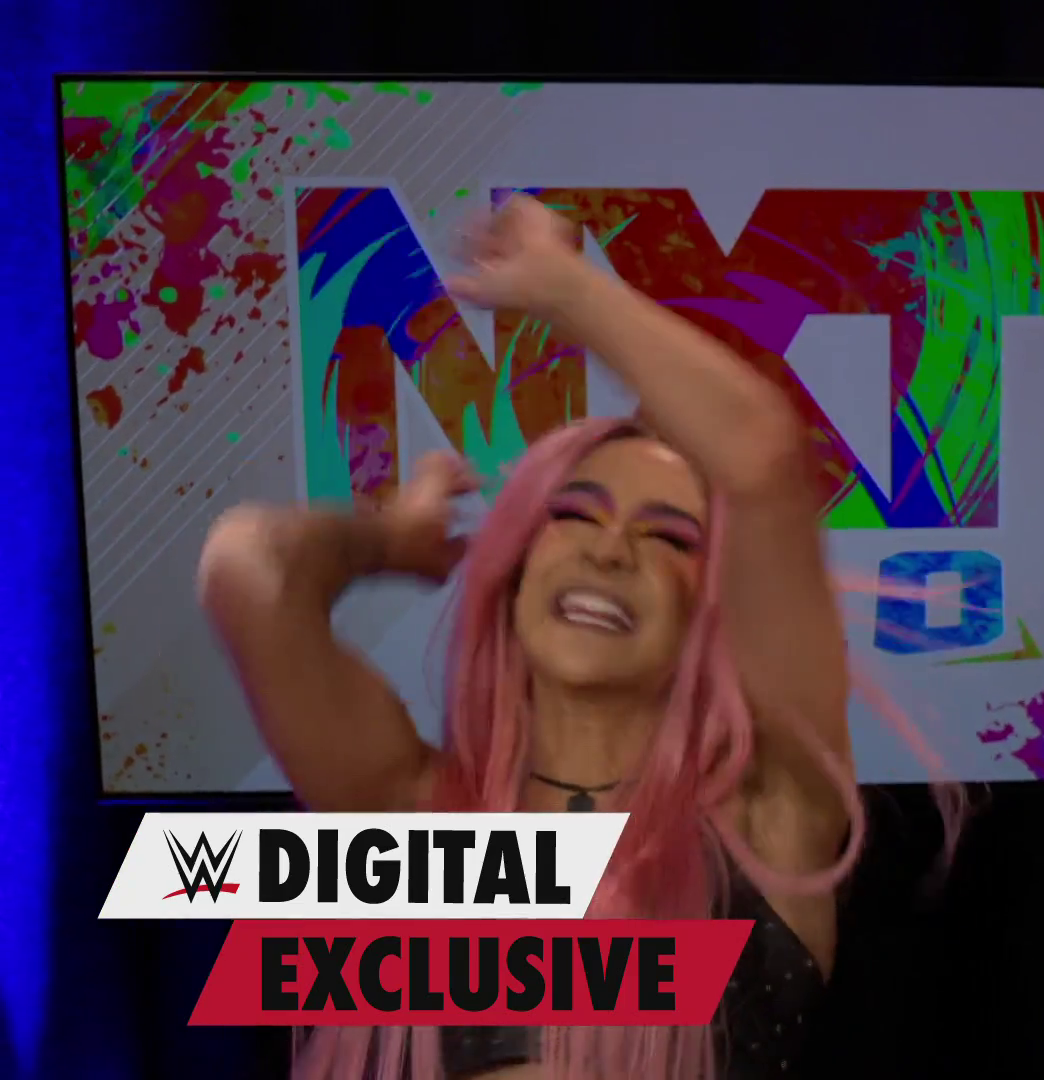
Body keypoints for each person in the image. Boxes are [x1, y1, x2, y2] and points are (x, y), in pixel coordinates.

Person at [197, 195, 955, 1080]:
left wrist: (569, 291)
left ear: (709, 611)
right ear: (516, 569)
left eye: (668, 537)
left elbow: (758, 458)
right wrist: (390, 539)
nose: (609, 550)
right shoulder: (416, 813)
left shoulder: (769, 820)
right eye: (575, 514)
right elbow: (250, 571)